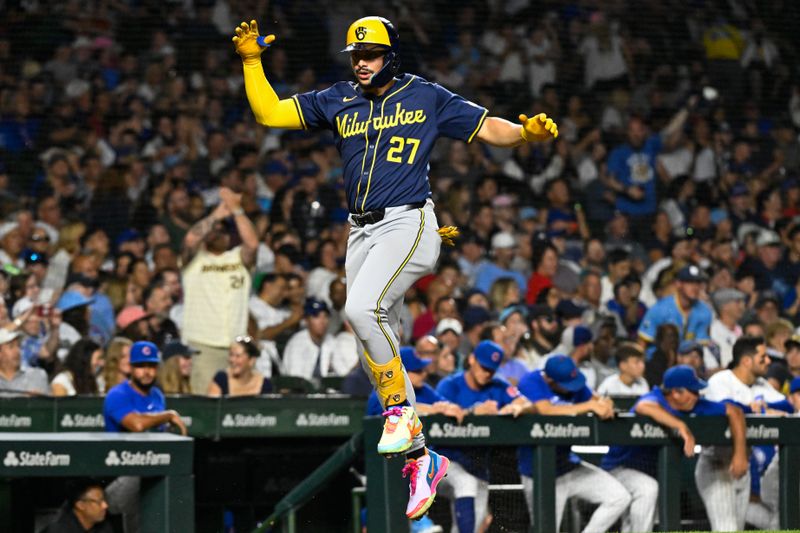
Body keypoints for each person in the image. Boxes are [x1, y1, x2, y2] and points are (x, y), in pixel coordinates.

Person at [234, 16, 558, 520]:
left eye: (371, 53)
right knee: (371, 345)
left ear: (392, 55)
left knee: (361, 310)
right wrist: (253, 62)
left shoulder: (424, 95)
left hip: (408, 223)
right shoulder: (339, 97)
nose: (361, 61)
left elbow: (485, 126)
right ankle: (420, 458)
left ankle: (403, 416)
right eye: (355, 54)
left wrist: (523, 134)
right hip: (361, 231)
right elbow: (271, 114)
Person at [600, 365, 748, 533]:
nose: (697, 396)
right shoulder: (656, 398)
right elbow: (644, 406)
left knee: (638, 514)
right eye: (692, 391)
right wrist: (680, 426)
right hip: (619, 469)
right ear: (675, 392)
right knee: (646, 491)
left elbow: (735, 412)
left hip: (649, 474)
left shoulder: (694, 404)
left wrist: (740, 454)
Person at [515, 355, 631, 533]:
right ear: (550, 379)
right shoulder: (532, 381)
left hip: (567, 466)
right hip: (539, 473)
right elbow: (546, 410)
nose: (572, 389)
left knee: (619, 497)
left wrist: (605, 403)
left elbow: (598, 399)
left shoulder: (573, 384)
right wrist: (589, 407)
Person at [434, 340, 528, 533]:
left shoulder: (498, 385)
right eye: (484, 367)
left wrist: (517, 406)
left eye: (491, 369)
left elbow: (524, 401)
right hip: (443, 462)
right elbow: (436, 419)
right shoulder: (450, 385)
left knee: (473, 525)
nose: (487, 373)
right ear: (471, 359)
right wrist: (472, 412)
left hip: (477, 467)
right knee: (465, 484)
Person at [703, 336, 786, 531]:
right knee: (726, 529)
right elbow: (729, 409)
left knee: (736, 529)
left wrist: (765, 408)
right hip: (717, 461)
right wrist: (753, 408)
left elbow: (787, 404)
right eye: (763, 357)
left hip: (744, 466)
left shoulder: (760, 384)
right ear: (747, 360)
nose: (768, 361)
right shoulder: (721, 380)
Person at [102, 341, 186, 533]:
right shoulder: (118, 394)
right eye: (140, 366)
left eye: (151, 366)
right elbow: (136, 425)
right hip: (120, 476)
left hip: (151, 470)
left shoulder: (157, 395)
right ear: (130, 367)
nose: (146, 372)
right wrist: (168, 415)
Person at [181, 186, 258, 393]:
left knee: (238, 407)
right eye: (214, 229)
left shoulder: (237, 258)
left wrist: (237, 210)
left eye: (223, 230)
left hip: (237, 345)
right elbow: (190, 239)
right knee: (206, 406)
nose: (217, 232)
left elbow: (252, 244)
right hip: (204, 344)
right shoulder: (195, 260)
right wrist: (216, 215)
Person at [638, 265, 713, 357]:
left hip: (688, 360)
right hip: (658, 360)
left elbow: (702, 344)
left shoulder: (704, 311)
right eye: (689, 282)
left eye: (698, 283)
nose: (695, 287)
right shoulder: (660, 309)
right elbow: (643, 341)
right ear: (678, 284)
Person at [281, 298, 346, 381]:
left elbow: (343, 373)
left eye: (325, 316)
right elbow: (295, 379)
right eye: (316, 316)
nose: (322, 321)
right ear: (306, 320)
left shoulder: (331, 341)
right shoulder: (297, 343)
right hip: (298, 391)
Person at [207, 336, 272, 396]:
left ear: (251, 360)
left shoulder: (265, 384)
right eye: (231, 355)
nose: (232, 360)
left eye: (238, 356)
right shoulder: (221, 379)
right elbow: (213, 406)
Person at [43, 478, 112, 533]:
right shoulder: (59, 529)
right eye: (99, 502)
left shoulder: (101, 522)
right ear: (81, 505)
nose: (105, 505)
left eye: (104, 500)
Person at [0, 328, 48, 396]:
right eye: (11, 347)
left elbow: (47, 405)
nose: (17, 351)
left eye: (18, 346)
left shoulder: (37, 376)